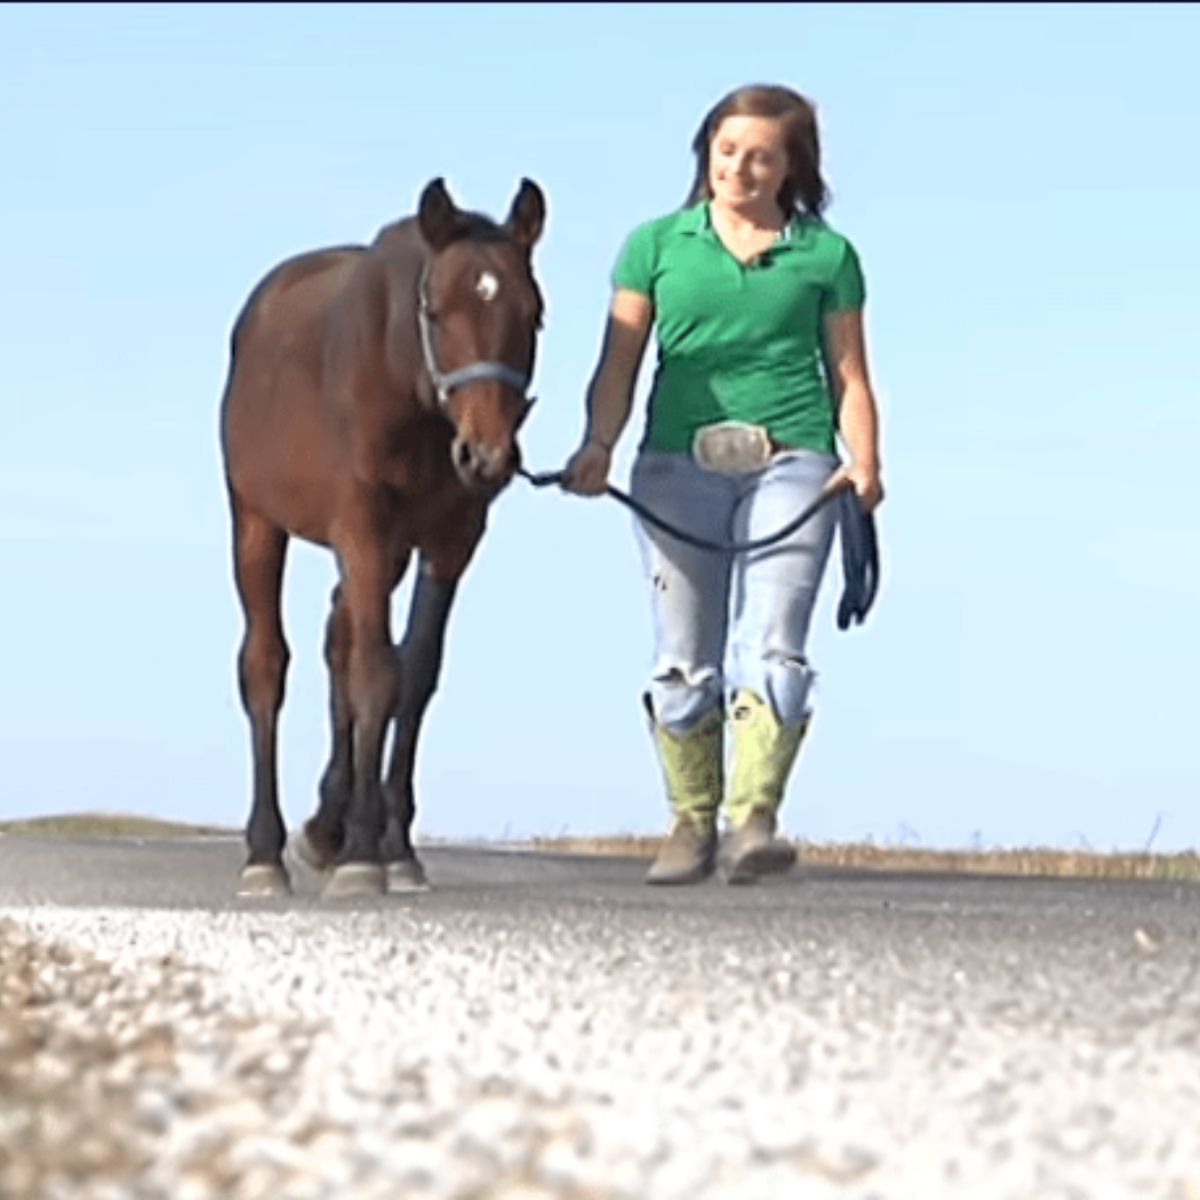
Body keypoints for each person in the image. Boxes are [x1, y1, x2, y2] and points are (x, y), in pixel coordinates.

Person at [561, 83, 885, 886]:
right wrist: (598, 443)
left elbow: (850, 375)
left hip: (795, 462)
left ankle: (754, 821)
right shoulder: (655, 245)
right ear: (707, 150)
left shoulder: (826, 255)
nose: (739, 166)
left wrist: (866, 459)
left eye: (760, 155)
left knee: (773, 643)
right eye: (727, 148)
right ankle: (689, 822)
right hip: (676, 465)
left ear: (789, 168)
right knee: (683, 656)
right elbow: (619, 363)